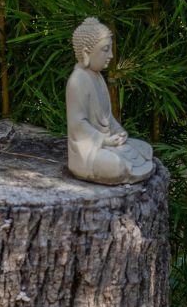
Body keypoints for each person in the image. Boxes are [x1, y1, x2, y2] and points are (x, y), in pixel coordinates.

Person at [66, 17, 154, 185]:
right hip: (88, 150)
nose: (111, 55)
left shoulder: (97, 77)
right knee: (114, 166)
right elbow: (78, 124)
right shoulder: (77, 81)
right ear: (86, 53)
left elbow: (107, 117)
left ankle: (124, 162)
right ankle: (120, 166)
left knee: (145, 149)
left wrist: (118, 132)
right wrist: (104, 140)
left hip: (106, 143)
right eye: (105, 50)